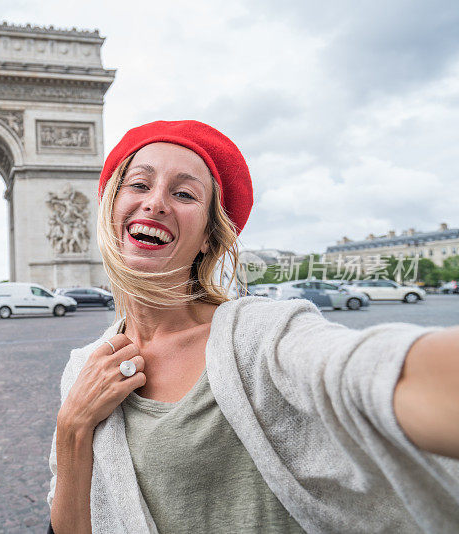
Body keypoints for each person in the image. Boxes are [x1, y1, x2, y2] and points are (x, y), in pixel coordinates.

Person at [47, 120, 459, 533]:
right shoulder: (82, 370)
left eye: (184, 193)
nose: (155, 203)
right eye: (138, 184)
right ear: (108, 206)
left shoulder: (259, 335)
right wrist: (72, 428)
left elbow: (359, 373)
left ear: (210, 237)